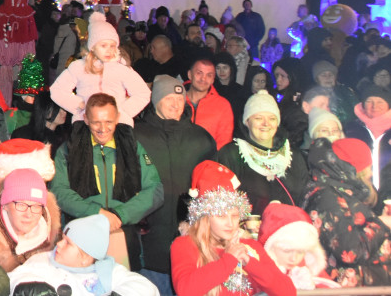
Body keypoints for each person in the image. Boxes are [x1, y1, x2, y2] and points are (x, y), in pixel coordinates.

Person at [49, 93, 163, 270]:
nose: (103, 128)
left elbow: (155, 190)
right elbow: (59, 191)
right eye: (96, 122)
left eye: (109, 121)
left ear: (117, 118)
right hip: (81, 238)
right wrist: (97, 213)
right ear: (86, 119)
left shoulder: (132, 147)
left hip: (123, 231)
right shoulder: (69, 149)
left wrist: (120, 215)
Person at [134, 75, 216, 295]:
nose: (176, 104)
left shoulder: (200, 138)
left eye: (180, 99)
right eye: (169, 98)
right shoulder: (136, 135)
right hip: (148, 243)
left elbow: (212, 186)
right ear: (155, 101)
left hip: (190, 243)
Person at [170, 160, 296, 296]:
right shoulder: (185, 245)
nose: (230, 223)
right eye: (221, 216)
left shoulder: (250, 247)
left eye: (235, 216)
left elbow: (288, 291)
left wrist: (250, 262)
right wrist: (229, 259)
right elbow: (185, 290)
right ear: (205, 218)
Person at [302, 137, 391, 286]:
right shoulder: (327, 197)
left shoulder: (343, 191)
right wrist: (380, 223)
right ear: (354, 169)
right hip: (350, 289)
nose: (370, 173)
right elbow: (350, 252)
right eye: (368, 168)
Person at [7, 213, 158, 296]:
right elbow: (14, 277)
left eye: (68, 243)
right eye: (62, 239)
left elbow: (146, 288)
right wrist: (30, 288)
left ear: (86, 257)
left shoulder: (107, 271)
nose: (59, 244)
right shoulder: (43, 260)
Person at [49, 13, 150, 126]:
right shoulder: (79, 67)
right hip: (86, 124)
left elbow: (143, 93)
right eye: (103, 45)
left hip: (117, 125)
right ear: (92, 46)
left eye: (112, 46)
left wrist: (122, 112)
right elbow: (57, 90)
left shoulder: (122, 68)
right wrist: (79, 106)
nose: (109, 50)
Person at [216, 91, 308, 215]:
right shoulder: (231, 155)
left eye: (272, 118)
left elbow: (305, 198)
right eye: (258, 118)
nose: (266, 123)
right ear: (247, 122)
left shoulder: (293, 156)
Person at [0, 168, 61, 273]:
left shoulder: (55, 241)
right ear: (5, 205)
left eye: (36, 206)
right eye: (21, 205)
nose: (28, 214)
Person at [257, 201, 340, 289]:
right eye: (287, 251)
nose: (293, 258)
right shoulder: (257, 273)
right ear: (271, 248)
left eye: (300, 251)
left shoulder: (309, 268)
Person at [343, 81, 391, 200]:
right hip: (360, 196)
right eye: (369, 101)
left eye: (380, 102)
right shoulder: (350, 129)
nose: (374, 106)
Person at [184, 58, 234, 149]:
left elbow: (224, 143)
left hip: (209, 157)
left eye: (209, 75)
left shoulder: (222, 105)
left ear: (213, 79)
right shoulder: (175, 100)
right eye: (199, 73)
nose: (203, 78)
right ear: (190, 75)